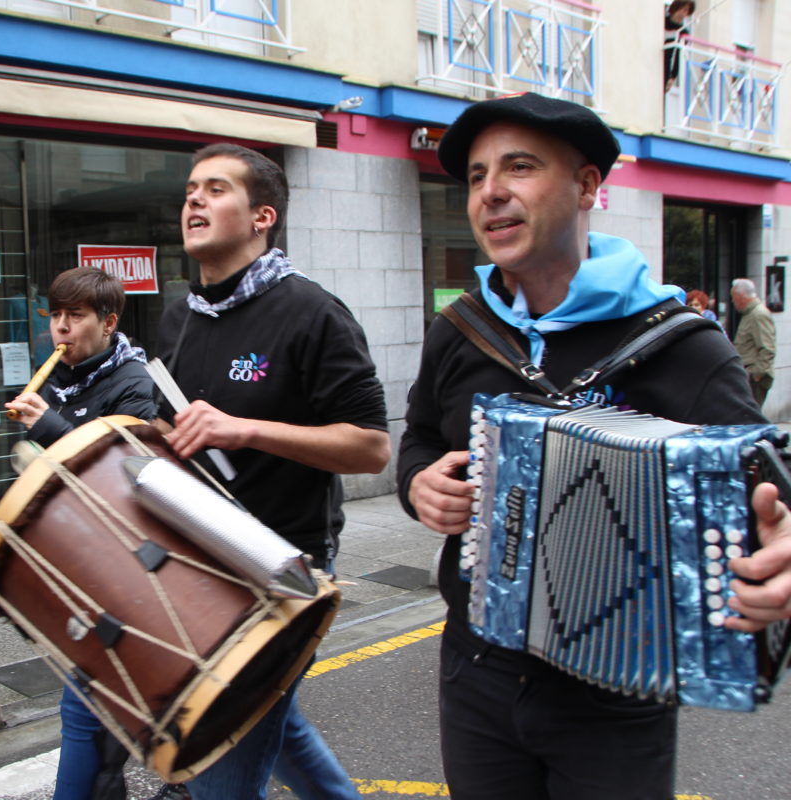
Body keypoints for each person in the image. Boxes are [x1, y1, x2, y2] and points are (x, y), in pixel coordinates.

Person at [398, 92, 791, 800]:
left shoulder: (679, 343)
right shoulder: (461, 330)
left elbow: (768, 484)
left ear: (586, 186)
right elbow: (421, 437)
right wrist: (421, 482)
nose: (491, 193)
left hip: (616, 690)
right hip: (475, 670)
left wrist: (780, 552)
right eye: (478, 176)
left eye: (519, 167)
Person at [157, 143, 391, 799]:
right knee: (271, 725)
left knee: (219, 767)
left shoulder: (312, 313)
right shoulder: (180, 316)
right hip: (198, 561)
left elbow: (372, 446)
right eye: (190, 189)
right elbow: (171, 425)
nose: (194, 200)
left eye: (215, 189)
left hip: (283, 570)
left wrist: (246, 429)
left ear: (263, 216)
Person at [4, 266, 164, 800]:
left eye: (76, 317)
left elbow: (123, 474)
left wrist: (48, 427)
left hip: (121, 570)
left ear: (109, 321)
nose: (62, 329)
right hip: (73, 562)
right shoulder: (56, 376)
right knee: (98, 726)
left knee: (86, 717)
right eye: (56, 317)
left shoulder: (132, 382)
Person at [731, 277, 776, 407]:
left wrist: (756, 375)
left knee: (750, 417)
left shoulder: (758, 314)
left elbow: (768, 349)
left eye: (734, 297)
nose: (733, 301)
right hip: (748, 375)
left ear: (741, 296)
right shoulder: (750, 314)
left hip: (753, 378)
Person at [664, 0, 695, 93]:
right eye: (684, 10)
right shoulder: (661, 20)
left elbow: (679, 57)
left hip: (666, 68)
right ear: (676, 7)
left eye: (688, 12)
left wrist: (672, 77)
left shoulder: (683, 33)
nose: (685, 14)